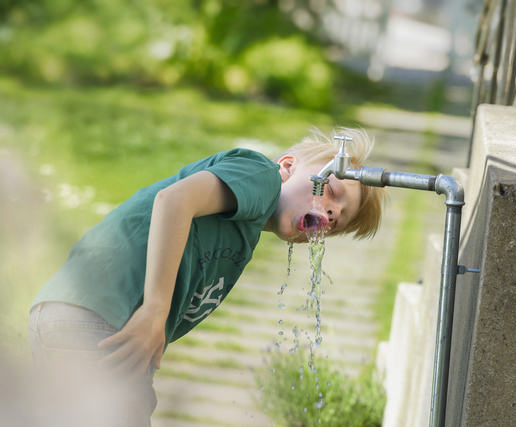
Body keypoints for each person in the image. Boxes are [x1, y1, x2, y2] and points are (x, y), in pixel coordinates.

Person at [28, 126, 387, 426]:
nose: (328, 211)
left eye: (336, 219)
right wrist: (155, 311)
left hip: (84, 319)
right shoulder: (260, 175)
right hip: (97, 317)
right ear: (288, 166)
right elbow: (174, 200)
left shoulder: (243, 234)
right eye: (331, 191)